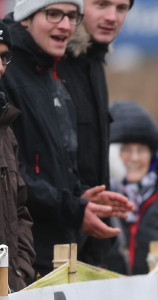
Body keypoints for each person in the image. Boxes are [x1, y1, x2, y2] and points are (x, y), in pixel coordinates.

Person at [1, 0, 130, 278]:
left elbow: (57, 165)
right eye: (54, 14)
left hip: (56, 256)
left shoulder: (54, 78)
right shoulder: (9, 73)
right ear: (26, 18)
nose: (65, 25)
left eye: (72, 16)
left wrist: (80, 196)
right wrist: (72, 208)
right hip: (23, 257)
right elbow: (12, 175)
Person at [58, 0, 133, 270]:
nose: (112, 17)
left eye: (122, 8)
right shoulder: (51, 63)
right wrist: (74, 208)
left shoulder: (95, 63)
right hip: (55, 239)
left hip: (90, 236)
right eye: (101, 4)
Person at [109, 100, 158, 274]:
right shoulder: (101, 197)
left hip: (151, 292)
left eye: (142, 150)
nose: (135, 158)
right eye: (127, 150)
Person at [0, 24, 34, 291]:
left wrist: (20, 269)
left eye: (4, 57)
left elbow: (20, 209)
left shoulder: (6, 129)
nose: (1, 67)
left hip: (9, 293)